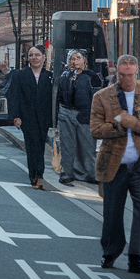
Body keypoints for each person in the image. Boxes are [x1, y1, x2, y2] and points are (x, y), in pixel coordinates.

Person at [91, 54, 140, 275]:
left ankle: (136, 257)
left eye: (130, 75)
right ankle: (110, 252)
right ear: (116, 74)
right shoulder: (102, 96)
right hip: (114, 162)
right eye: (122, 75)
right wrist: (118, 126)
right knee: (112, 212)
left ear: (137, 71)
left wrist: (133, 123)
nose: (127, 79)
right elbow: (95, 129)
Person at [9, 45, 55, 189]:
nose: (34, 58)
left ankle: (39, 174)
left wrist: (54, 120)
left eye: (37, 55)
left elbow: (54, 100)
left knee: (40, 145)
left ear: (43, 57)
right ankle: (34, 175)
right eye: (31, 55)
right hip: (27, 117)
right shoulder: (20, 75)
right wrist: (16, 116)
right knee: (31, 145)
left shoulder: (50, 77)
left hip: (44, 117)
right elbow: (14, 96)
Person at [56, 50, 98, 186]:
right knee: (67, 144)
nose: (74, 61)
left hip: (85, 113)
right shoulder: (65, 76)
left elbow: (97, 96)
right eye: (72, 59)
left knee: (87, 145)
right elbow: (59, 96)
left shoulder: (92, 76)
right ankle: (67, 173)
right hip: (66, 111)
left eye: (78, 58)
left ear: (84, 60)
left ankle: (89, 172)